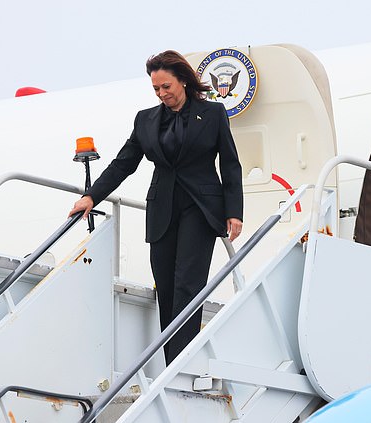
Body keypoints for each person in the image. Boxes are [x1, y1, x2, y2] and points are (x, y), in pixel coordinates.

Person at [69, 50, 243, 364]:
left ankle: (181, 364)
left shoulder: (213, 114)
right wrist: (92, 196)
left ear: (184, 82)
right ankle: (171, 361)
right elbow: (123, 164)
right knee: (165, 286)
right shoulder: (146, 120)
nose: (162, 94)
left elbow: (230, 165)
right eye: (156, 89)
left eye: (167, 87)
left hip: (200, 209)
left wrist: (234, 211)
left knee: (187, 285)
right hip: (162, 209)